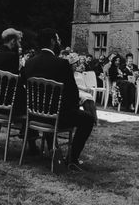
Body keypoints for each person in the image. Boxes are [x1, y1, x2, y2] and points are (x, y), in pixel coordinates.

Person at [22, 28, 94, 171]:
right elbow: (72, 94)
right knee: (88, 119)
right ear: (52, 42)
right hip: (55, 116)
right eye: (57, 39)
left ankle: (53, 148)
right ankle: (72, 158)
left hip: (34, 114)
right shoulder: (62, 64)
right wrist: (73, 108)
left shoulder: (29, 63)